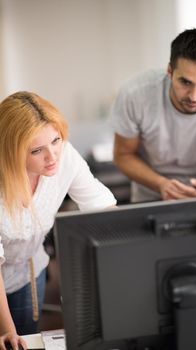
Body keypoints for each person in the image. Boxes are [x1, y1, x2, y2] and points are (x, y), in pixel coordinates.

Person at [0, 91, 117, 349]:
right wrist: (7, 330)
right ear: (12, 151)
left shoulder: (64, 157)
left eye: (56, 140)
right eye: (37, 150)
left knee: (25, 338)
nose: (52, 156)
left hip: (28, 271)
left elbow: (103, 209)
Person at [111, 28, 196, 203]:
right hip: (152, 198)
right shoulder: (135, 94)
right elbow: (123, 155)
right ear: (170, 71)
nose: (194, 96)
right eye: (185, 82)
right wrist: (161, 184)